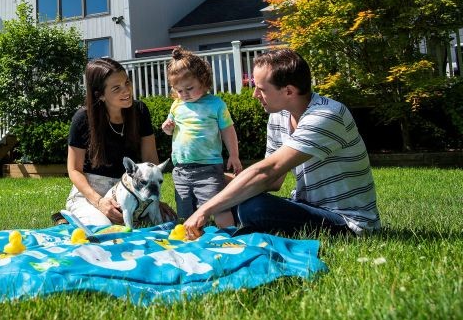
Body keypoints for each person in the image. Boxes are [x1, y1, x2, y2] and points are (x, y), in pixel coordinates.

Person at [183, 48, 381, 239]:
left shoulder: (327, 115)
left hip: (347, 221)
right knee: (242, 198)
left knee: (254, 208)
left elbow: (267, 171)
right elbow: (274, 181)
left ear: (288, 91)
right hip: (307, 206)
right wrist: (212, 177)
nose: (254, 95)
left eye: (261, 89)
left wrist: (205, 209)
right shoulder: (279, 116)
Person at [63, 57, 175, 226]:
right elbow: (74, 170)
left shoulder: (140, 111)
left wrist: (152, 200)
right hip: (93, 190)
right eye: (117, 88)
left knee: (168, 221)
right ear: (100, 95)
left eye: (127, 82)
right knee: (104, 227)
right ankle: (69, 217)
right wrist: (99, 202)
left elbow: (150, 158)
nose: (127, 91)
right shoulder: (83, 118)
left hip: (132, 188)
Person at [161, 47, 242, 227]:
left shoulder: (215, 104)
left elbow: (228, 130)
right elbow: (170, 130)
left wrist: (234, 155)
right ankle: (194, 239)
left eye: (189, 88)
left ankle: (229, 236)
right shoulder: (176, 105)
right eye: (179, 90)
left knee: (217, 206)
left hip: (208, 168)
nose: (184, 94)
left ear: (204, 82)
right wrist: (167, 128)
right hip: (181, 170)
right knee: (185, 211)